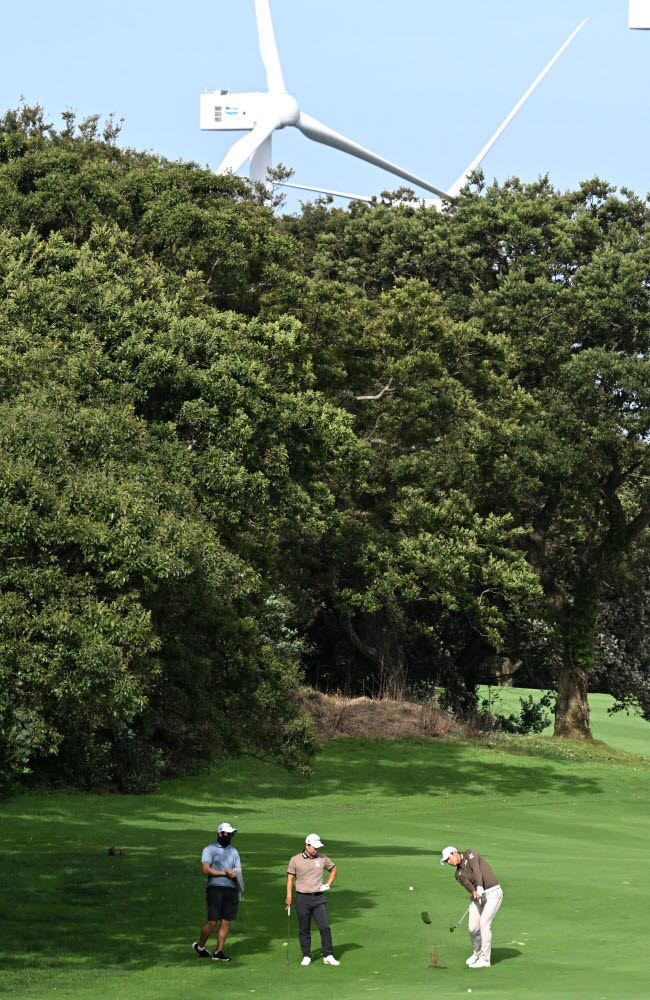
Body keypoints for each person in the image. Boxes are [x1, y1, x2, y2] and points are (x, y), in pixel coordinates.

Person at [440, 845, 503, 969]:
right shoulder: (458, 874)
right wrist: (474, 892)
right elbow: (467, 884)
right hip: (478, 896)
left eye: (448, 858)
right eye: (446, 861)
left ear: (455, 853)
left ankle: (485, 960)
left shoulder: (469, 853)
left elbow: (477, 870)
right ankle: (477, 953)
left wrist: (479, 886)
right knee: (473, 928)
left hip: (493, 893)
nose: (448, 862)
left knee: (484, 924)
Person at [286, 833, 340, 966]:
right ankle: (306, 955)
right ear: (307, 845)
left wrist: (327, 885)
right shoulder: (295, 859)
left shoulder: (322, 858)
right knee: (304, 928)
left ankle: (328, 955)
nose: (316, 850)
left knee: (324, 927)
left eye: (318, 847)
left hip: (318, 898)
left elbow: (333, 870)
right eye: (314, 847)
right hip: (302, 898)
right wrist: (289, 896)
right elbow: (290, 879)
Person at [193, 822, 243, 962]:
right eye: (227, 834)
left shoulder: (233, 851)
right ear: (220, 834)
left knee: (226, 921)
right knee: (212, 921)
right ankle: (200, 947)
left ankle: (218, 952)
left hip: (231, 889)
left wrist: (234, 873)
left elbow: (239, 868)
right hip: (215, 888)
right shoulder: (209, 849)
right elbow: (206, 869)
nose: (230, 837)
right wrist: (223, 873)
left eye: (231, 834)